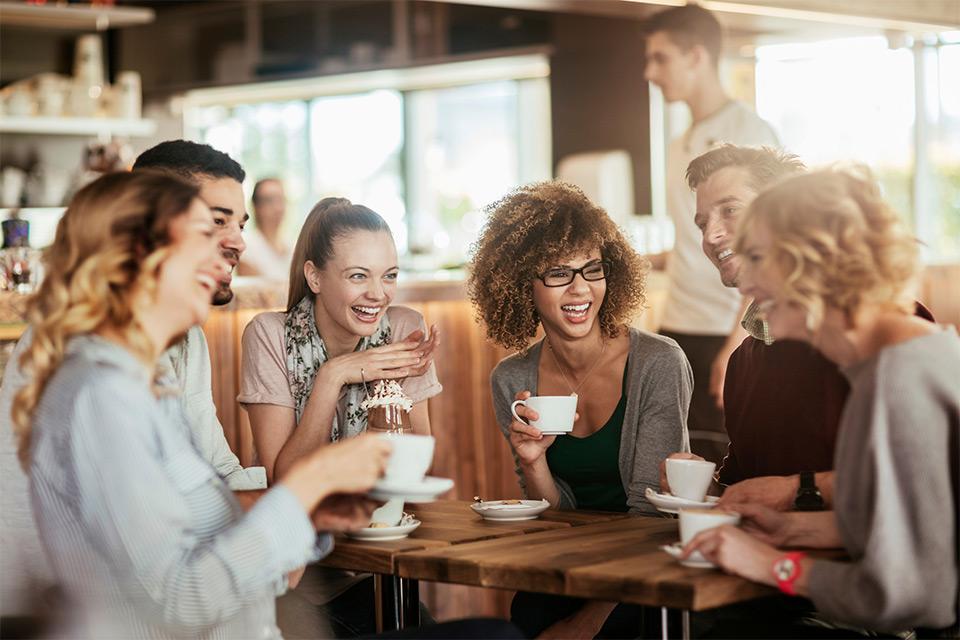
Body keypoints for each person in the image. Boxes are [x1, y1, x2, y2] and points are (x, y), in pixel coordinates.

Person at [11, 170, 394, 639]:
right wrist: (307, 486)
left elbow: (202, 550)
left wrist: (307, 513)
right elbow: (183, 598)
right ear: (138, 260)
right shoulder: (101, 397)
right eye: (202, 237)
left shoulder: (143, 382)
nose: (225, 254)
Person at [683, 167, 960, 637]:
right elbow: (914, 529)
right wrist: (790, 531)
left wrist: (777, 566)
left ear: (812, 263)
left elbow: (919, 596)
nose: (747, 286)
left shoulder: (900, 377)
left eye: (758, 258)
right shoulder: (901, 358)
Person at [0, 140, 263, 630]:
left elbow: (211, 473)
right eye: (216, 221)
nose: (238, 241)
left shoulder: (181, 338)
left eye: (239, 224)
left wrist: (305, 494)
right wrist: (300, 501)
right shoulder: (92, 364)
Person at [469, 180, 692, 638]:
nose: (580, 289)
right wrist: (533, 465)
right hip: (566, 563)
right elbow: (552, 514)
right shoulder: (511, 381)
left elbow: (652, 520)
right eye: (558, 273)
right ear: (520, 284)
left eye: (593, 269)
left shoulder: (657, 362)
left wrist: (585, 625)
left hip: (646, 572)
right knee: (526, 615)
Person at [239, 196, 441, 637]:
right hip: (295, 587)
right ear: (314, 276)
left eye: (389, 276)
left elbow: (418, 470)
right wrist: (333, 377)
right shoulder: (269, 336)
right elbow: (285, 481)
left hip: (376, 575)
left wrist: (386, 387)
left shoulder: (403, 329)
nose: (378, 293)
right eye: (358, 276)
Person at [642, 4, 779, 465]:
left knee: (728, 462)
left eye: (660, 58)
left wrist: (736, 342)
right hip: (678, 327)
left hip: (725, 331)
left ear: (696, 55)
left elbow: (766, 242)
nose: (650, 72)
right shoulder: (681, 143)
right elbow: (691, 239)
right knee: (680, 461)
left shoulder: (750, 134)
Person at [239, 177, 295, 280]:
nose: (277, 207)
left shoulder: (292, 246)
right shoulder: (246, 246)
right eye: (270, 200)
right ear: (256, 206)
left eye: (281, 199)